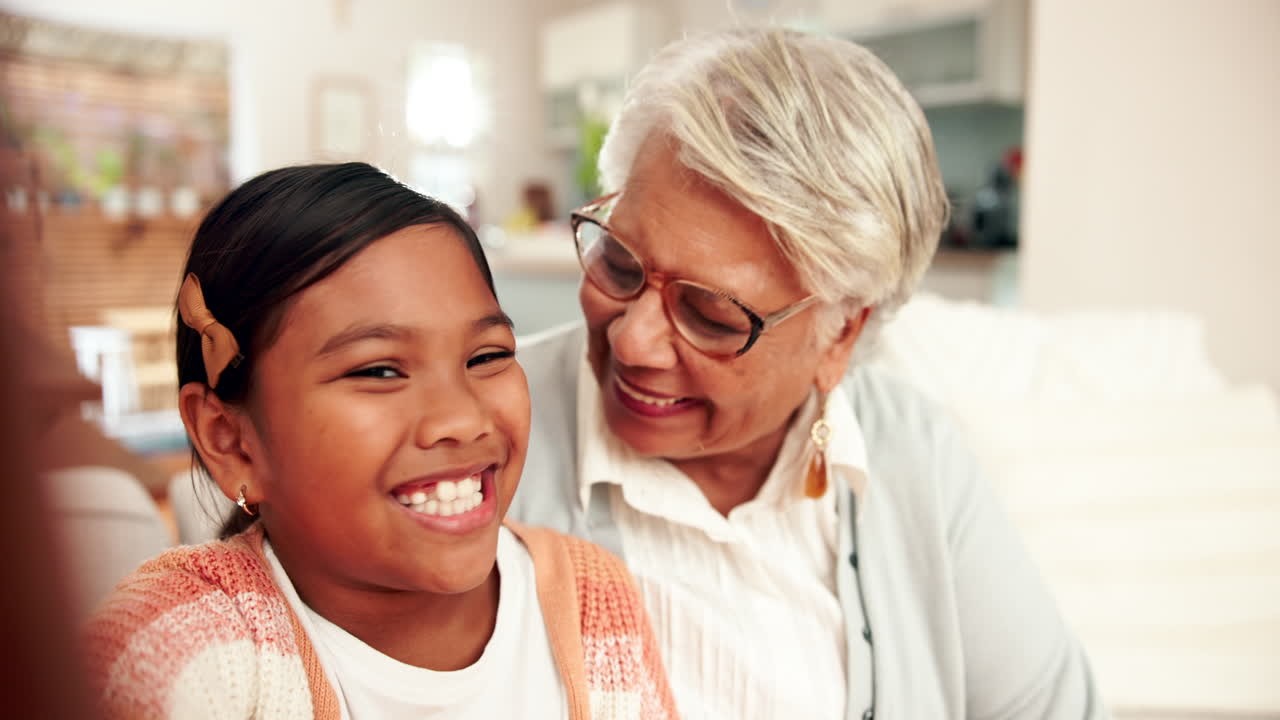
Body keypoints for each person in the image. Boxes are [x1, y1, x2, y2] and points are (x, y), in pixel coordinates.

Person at [509, 28, 1107, 720]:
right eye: (619, 261)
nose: (633, 338)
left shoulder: (913, 453)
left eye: (709, 312)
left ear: (841, 333)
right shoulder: (487, 426)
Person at [83, 163, 678, 719]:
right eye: (379, 370)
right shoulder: (175, 643)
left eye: (488, 356)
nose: (463, 419)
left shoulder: (594, 599)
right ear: (232, 441)